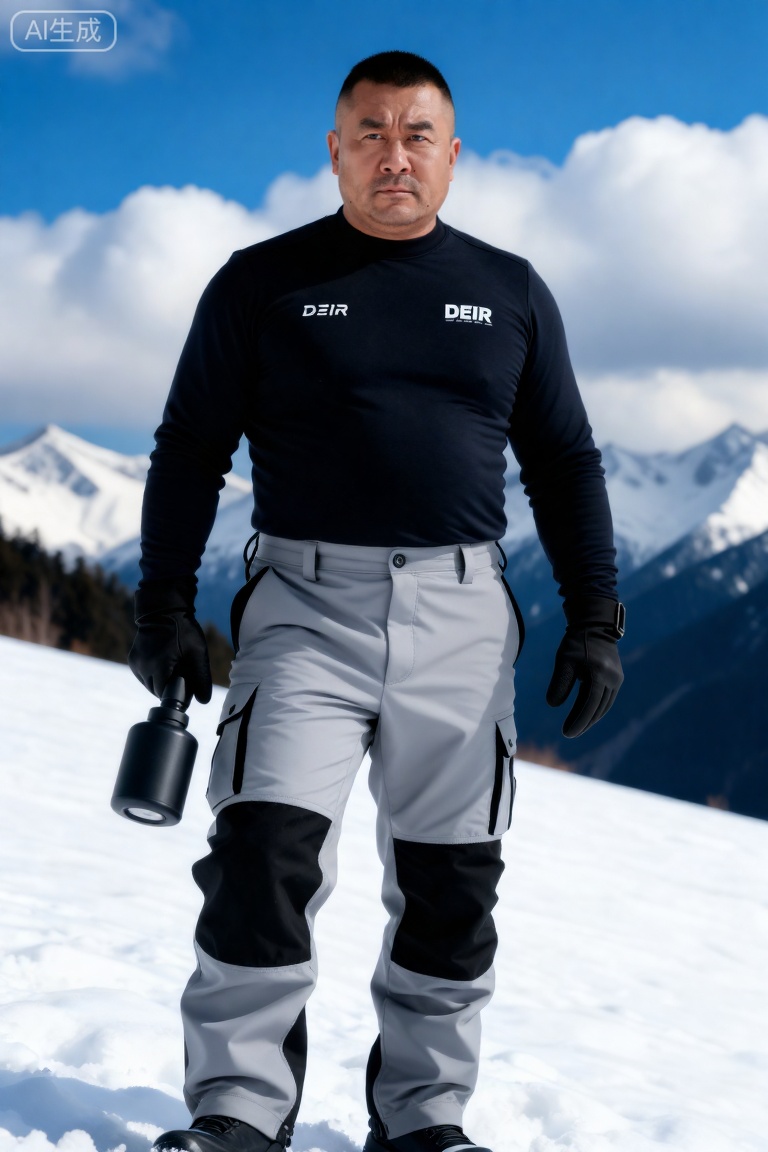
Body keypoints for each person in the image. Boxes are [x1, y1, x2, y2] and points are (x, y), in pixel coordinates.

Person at [129, 50, 625, 1152]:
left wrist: (597, 616)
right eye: (369, 132)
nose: (393, 155)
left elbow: (567, 460)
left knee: (453, 884)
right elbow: (188, 449)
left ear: (452, 154)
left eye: (416, 135)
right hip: (304, 611)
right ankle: (238, 1115)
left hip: (462, 618)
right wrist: (162, 603)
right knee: (261, 855)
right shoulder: (260, 283)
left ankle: (422, 1121)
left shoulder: (511, 291)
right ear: (334, 148)